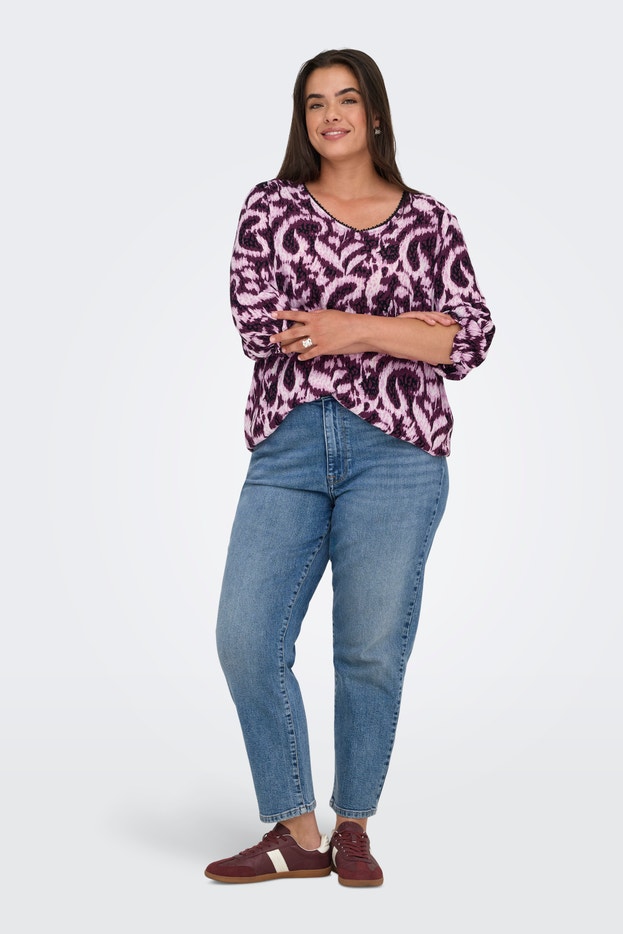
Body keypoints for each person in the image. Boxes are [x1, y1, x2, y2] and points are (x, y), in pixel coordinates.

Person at [205, 48, 494, 888]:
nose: (330, 114)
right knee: (246, 638)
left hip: (399, 455)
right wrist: (407, 328)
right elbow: (260, 323)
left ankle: (354, 823)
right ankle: (297, 830)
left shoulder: (430, 220)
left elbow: (470, 339)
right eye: (314, 102)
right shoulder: (270, 207)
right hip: (290, 444)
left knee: (369, 649)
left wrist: (349, 327)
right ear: (303, 119)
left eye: (346, 98)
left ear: (374, 113)